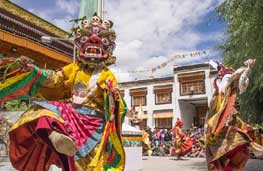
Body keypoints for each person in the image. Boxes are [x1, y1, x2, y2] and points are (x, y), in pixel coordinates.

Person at [0, 14, 127, 171]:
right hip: (71, 115)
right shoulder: (73, 69)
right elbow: (54, 78)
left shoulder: (108, 75)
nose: (94, 40)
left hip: (94, 123)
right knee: (40, 110)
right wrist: (35, 70)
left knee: (84, 165)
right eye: (87, 39)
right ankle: (55, 135)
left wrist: (113, 96)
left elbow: (117, 104)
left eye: (102, 41)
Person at [205, 59, 263, 171]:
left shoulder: (231, 93)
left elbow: (241, 82)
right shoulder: (219, 93)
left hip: (228, 122)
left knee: (246, 135)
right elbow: (235, 77)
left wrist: (248, 70)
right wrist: (246, 69)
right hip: (217, 124)